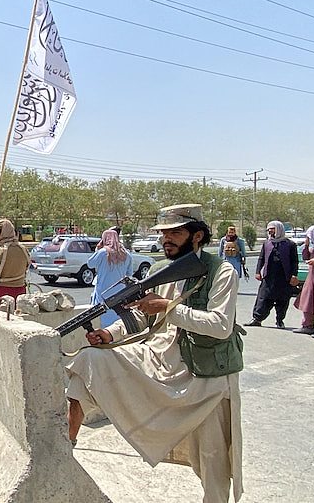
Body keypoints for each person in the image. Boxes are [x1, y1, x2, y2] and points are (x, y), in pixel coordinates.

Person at [66, 204, 243, 503]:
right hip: (160, 360)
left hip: (206, 376)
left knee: (212, 459)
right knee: (87, 360)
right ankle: (65, 445)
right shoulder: (162, 271)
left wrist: (168, 308)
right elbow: (144, 320)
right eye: (164, 234)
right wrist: (110, 334)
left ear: (197, 235)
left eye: (176, 232)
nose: (167, 239)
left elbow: (221, 326)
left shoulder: (222, 272)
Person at [246, 221, 298, 328]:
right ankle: (257, 319)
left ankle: (280, 321)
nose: (270, 231)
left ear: (279, 229)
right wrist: (257, 272)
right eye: (269, 229)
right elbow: (261, 258)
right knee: (263, 298)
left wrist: (294, 274)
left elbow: (294, 261)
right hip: (269, 277)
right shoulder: (267, 243)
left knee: (282, 300)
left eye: (272, 229)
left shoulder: (290, 244)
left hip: (284, 278)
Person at [86, 229, 133, 327]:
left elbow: (90, 264)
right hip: (120, 291)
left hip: (103, 290)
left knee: (102, 314)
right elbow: (129, 273)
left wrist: (97, 250)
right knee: (117, 314)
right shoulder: (126, 254)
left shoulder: (102, 252)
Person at [0, 219, 31, 305]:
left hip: (2, 291)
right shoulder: (23, 249)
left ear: (1, 232)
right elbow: (27, 266)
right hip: (20, 290)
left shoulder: (0, 251)